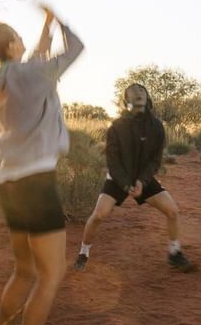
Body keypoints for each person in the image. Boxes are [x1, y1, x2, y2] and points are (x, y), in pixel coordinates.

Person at [0, 5, 83, 325]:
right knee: (52, 275)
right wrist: (61, 22)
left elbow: (35, 59)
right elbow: (77, 48)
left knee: (24, 271)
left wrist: (46, 28)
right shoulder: (35, 73)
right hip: (37, 182)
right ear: (13, 44)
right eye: (20, 36)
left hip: (10, 183)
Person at [73, 83, 194, 272]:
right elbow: (113, 162)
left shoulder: (156, 126)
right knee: (99, 215)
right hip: (118, 179)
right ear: (126, 100)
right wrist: (125, 183)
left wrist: (142, 181)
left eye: (142, 90)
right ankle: (83, 252)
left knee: (172, 211)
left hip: (142, 179)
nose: (138, 92)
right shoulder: (116, 127)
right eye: (133, 91)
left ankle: (174, 252)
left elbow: (155, 160)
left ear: (147, 97)